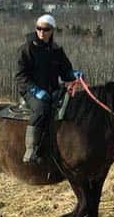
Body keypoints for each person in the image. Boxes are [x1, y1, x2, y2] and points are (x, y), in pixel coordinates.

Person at [15, 14, 83, 165]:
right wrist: (35, 91)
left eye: (45, 29)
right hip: (30, 90)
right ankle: (31, 151)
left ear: (52, 31)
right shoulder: (26, 49)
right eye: (39, 28)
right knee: (41, 109)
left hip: (52, 89)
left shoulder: (56, 50)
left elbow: (65, 72)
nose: (41, 32)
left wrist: (73, 74)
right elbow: (20, 77)